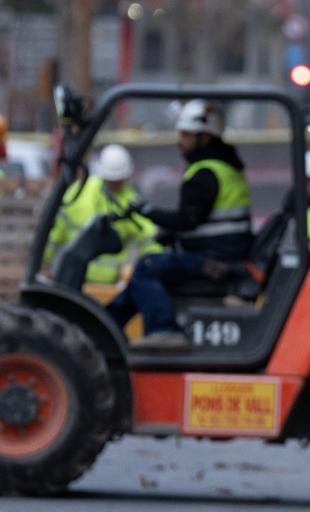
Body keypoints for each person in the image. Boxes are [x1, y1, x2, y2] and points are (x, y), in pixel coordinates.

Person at [106, 100, 253, 352]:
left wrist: (148, 211)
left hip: (214, 260)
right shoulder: (226, 168)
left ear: (205, 138)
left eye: (186, 134)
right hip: (224, 253)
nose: (179, 140)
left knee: (147, 266)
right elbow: (204, 220)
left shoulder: (205, 173)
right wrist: (169, 232)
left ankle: (164, 331)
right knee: (142, 280)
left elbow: (187, 220)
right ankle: (105, 328)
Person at [44, 144, 160, 285]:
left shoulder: (131, 202)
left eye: (118, 180)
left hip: (108, 285)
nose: (115, 184)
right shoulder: (80, 191)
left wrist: (156, 263)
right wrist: (43, 263)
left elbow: (148, 239)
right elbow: (55, 234)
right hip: (71, 278)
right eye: (111, 180)